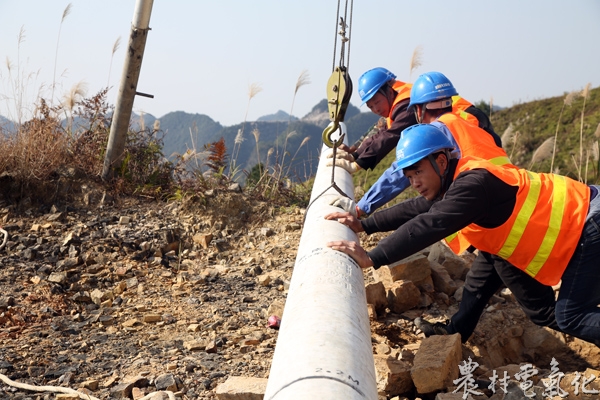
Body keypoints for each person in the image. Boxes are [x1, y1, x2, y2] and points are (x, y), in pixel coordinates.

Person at [325, 123, 600, 346]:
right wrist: (365, 225)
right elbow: (417, 208)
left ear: (441, 161)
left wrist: (373, 256)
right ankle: (455, 332)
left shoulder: (472, 185)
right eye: (408, 177)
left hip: (589, 222)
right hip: (575, 224)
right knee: (530, 306)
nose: (414, 183)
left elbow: (431, 223)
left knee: (571, 316)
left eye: (418, 172)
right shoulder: (455, 182)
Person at [327, 68, 500, 179]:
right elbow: (381, 132)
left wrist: (359, 163)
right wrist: (356, 152)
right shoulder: (398, 103)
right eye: (370, 106)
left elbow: (390, 136)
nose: (375, 109)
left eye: (376, 102)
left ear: (388, 90)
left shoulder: (407, 104)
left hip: (471, 122)